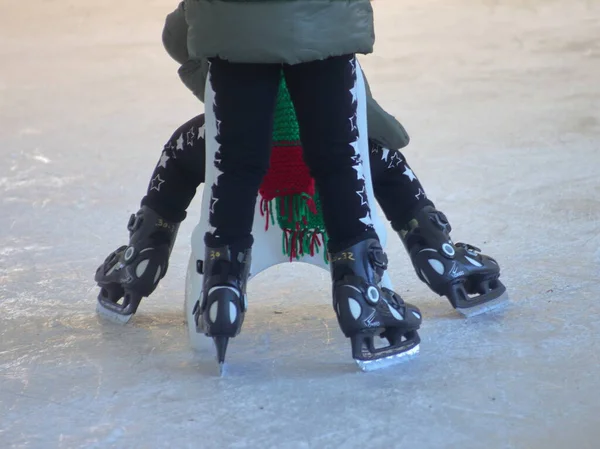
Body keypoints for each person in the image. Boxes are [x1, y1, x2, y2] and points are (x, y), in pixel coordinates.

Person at [96, 3, 505, 370]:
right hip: (324, 127)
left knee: (184, 152)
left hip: (238, 126)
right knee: (366, 158)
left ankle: (171, 263)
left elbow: (175, 37)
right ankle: (418, 259)